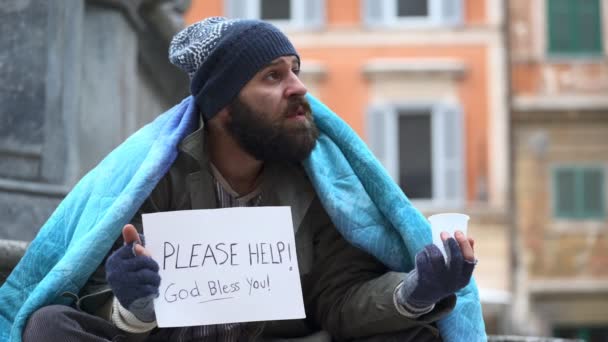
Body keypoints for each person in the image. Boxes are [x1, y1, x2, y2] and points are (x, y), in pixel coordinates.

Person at [21, 17, 476, 342]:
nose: (298, 87)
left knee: (412, 333)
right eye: (273, 76)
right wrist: (131, 305)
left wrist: (414, 292)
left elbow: (338, 300)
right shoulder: (154, 179)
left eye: (295, 71)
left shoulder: (317, 187)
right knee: (49, 326)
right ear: (222, 106)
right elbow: (90, 295)